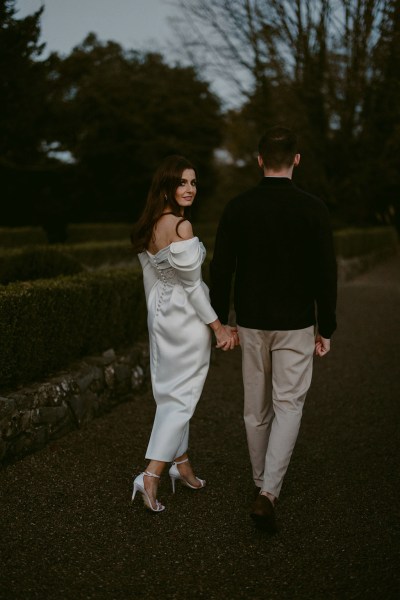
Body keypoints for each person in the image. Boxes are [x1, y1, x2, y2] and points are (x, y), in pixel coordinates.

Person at [210, 126, 337, 532]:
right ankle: (268, 492)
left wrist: (221, 321)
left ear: (260, 159)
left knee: (255, 408)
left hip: (251, 322)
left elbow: (221, 267)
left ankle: (259, 483)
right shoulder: (314, 208)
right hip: (296, 323)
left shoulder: (238, 207)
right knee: (289, 405)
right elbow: (326, 273)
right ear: (296, 159)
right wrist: (327, 326)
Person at [130, 155, 239, 513]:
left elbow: (151, 279)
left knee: (170, 393)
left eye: (193, 182)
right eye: (182, 183)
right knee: (183, 396)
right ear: (166, 186)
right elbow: (194, 290)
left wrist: (154, 318)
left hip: (162, 318)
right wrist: (219, 328)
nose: (190, 189)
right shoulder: (181, 228)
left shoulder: (149, 225)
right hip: (189, 321)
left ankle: (182, 464)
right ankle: (151, 473)